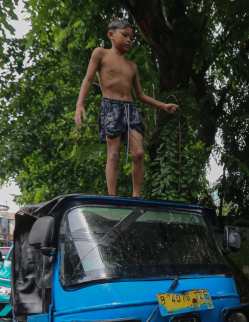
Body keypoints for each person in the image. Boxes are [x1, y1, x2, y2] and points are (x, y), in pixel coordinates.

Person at [74, 19, 178, 198]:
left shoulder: (132, 66)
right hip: (111, 107)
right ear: (111, 35)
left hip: (130, 110)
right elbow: (88, 79)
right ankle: (112, 197)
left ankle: (136, 197)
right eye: (125, 35)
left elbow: (140, 95)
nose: (129, 40)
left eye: (132, 37)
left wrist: (163, 105)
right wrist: (79, 104)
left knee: (139, 153)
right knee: (114, 154)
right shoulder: (101, 53)